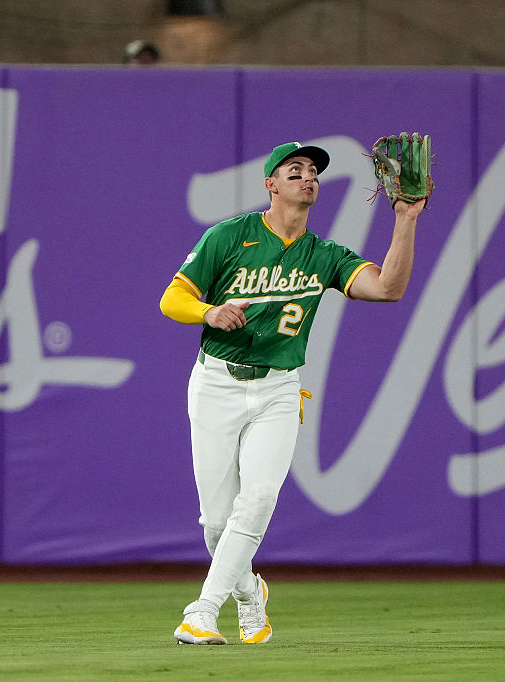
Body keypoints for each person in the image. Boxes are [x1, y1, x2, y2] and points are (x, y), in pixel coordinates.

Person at [160, 141, 426, 645]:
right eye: (295, 170)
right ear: (271, 184)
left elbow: (389, 288)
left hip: (278, 389)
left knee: (257, 499)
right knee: (216, 523)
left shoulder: (323, 255)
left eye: (314, 173)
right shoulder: (230, 235)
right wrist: (208, 311)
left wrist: (406, 219)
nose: (308, 178)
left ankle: (202, 611)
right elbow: (172, 297)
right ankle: (249, 598)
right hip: (216, 381)